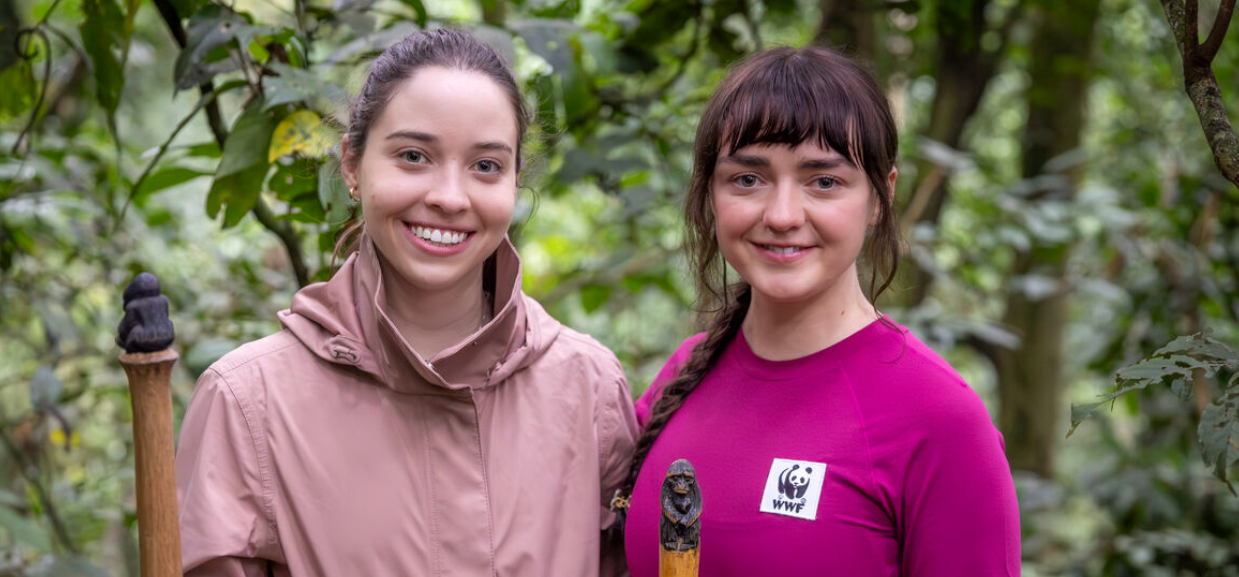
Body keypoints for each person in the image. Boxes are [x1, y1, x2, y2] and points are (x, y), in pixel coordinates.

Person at [175, 29, 638, 576]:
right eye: (414, 156)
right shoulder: (248, 402)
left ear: (516, 181)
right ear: (351, 164)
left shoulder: (587, 387)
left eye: (485, 165)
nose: (448, 196)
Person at [615, 46, 1021, 576]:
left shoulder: (939, 418)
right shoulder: (684, 375)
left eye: (823, 181)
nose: (782, 215)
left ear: (881, 197)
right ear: (710, 192)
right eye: (748, 179)